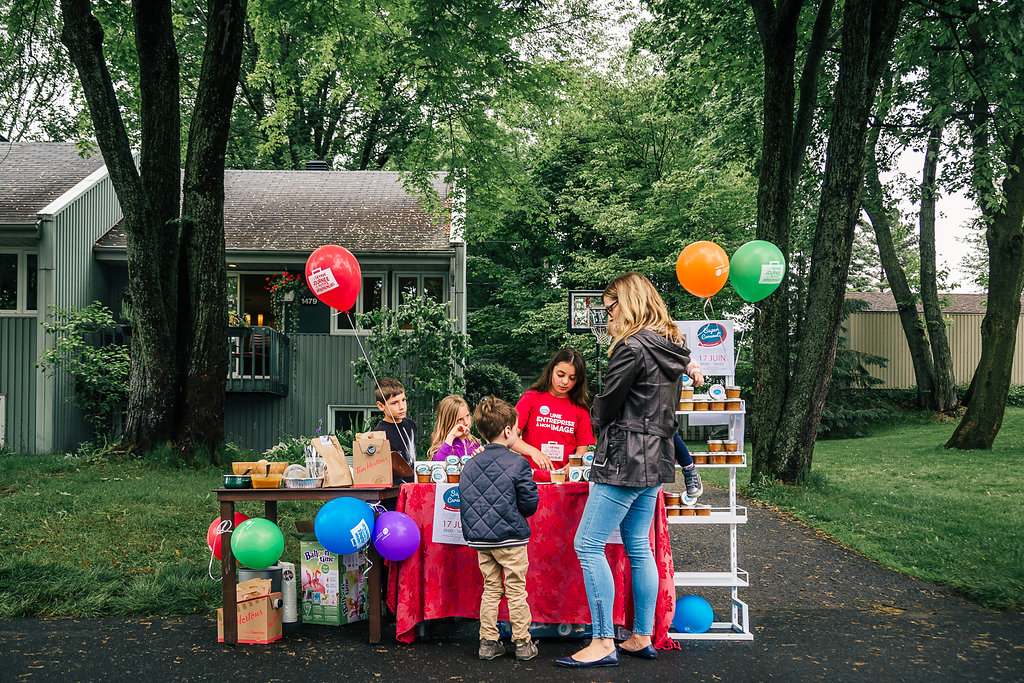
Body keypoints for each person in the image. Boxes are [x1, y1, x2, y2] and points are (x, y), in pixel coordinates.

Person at [556, 272, 702, 668]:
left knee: (587, 544)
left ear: (629, 303)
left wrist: (594, 408)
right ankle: (640, 635)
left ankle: (603, 641)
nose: (608, 318)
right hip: (656, 458)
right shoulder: (672, 348)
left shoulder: (632, 347)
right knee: (639, 546)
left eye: (610, 308)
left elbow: (608, 407)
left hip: (623, 459)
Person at [459, 396, 540, 661]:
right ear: (507, 430)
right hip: (511, 538)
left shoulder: (469, 464)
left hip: (481, 540)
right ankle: (523, 643)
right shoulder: (518, 463)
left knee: (491, 588)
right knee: (516, 589)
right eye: (516, 429)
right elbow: (529, 504)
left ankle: (487, 642)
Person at [512, 348, 595, 480]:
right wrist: (533, 452)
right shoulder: (531, 398)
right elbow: (509, 436)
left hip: (564, 482)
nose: (565, 382)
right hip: (530, 480)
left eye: (572, 378)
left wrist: (569, 468)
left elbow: (582, 449)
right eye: (560, 374)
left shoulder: (580, 408)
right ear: (551, 370)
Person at [372, 377, 417, 484]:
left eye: (403, 400)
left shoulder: (411, 425)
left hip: (413, 485)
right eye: (394, 403)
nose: (401, 407)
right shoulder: (379, 433)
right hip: (393, 491)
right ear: (381, 406)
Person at [429, 395, 483, 461]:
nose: (466, 423)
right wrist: (451, 436)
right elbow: (439, 463)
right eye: (460, 420)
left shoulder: (475, 443)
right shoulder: (443, 446)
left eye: (467, 416)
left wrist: (481, 459)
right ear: (448, 423)